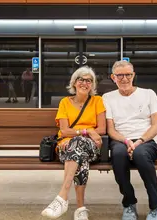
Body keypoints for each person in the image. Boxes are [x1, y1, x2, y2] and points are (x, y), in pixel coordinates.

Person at [102, 60, 157, 220]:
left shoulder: (149, 94)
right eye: (120, 75)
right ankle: (129, 203)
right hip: (121, 140)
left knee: (140, 155)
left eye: (128, 75)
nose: (124, 79)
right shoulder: (107, 97)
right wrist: (126, 141)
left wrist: (139, 142)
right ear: (113, 77)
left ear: (134, 75)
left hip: (147, 140)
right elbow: (110, 129)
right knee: (117, 155)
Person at [41, 66, 106, 220]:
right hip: (67, 146)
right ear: (74, 83)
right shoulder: (65, 102)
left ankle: (62, 196)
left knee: (77, 144)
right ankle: (80, 209)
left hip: (91, 147)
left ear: (93, 85)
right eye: (81, 79)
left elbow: (102, 128)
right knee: (79, 154)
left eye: (89, 80)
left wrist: (82, 133)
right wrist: (88, 130)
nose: (85, 83)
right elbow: (63, 131)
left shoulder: (97, 101)